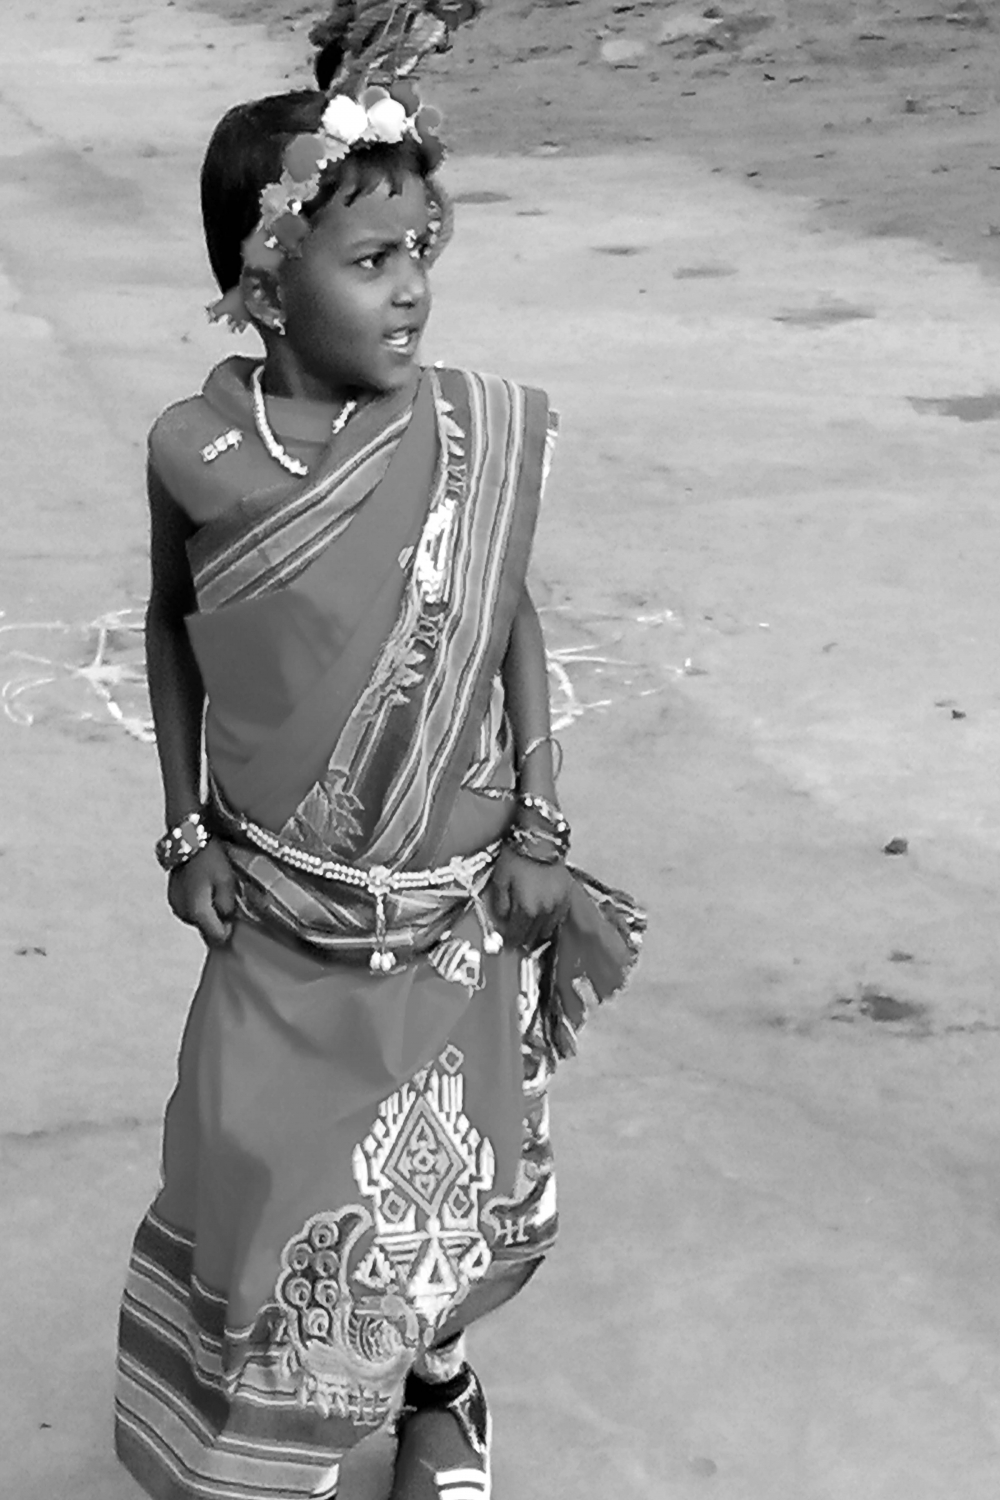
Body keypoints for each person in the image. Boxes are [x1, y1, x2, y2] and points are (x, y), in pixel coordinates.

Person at [115, 8, 643, 1498]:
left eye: (425, 252)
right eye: (371, 261)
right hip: (282, 911)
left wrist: (541, 830)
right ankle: (263, 1448)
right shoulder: (194, 457)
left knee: (435, 1176)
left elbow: (514, 624)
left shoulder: (465, 440)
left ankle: (441, 1398)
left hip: (448, 912)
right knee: (265, 1165)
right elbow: (168, 630)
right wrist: (183, 831)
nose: (413, 292)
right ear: (266, 285)